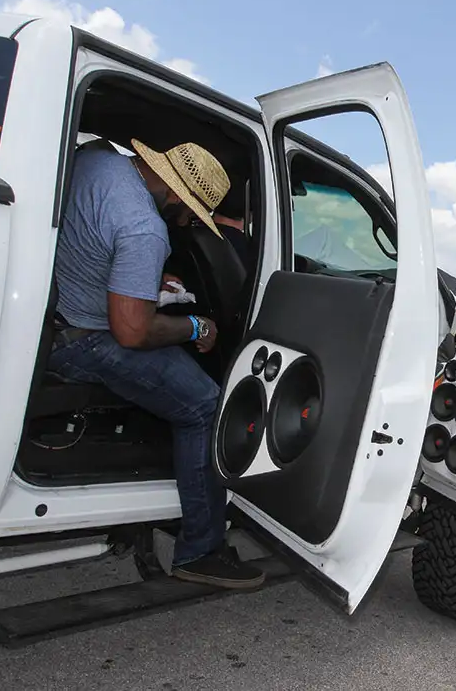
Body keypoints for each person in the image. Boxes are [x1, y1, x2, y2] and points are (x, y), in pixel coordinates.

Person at [48, 138, 265, 589]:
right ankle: (201, 551)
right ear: (177, 193)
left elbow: (91, 238)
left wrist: (142, 276)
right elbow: (131, 332)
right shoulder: (146, 227)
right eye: (189, 209)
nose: (187, 220)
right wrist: (196, 327)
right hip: (80, 339)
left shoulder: (96, 160)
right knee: (206, 407)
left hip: (51, 311)